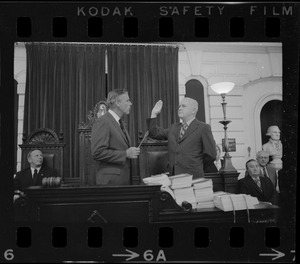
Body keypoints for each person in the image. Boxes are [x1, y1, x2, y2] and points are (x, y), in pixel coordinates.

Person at [147, 97, 217, 179]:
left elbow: (211, 154)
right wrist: (153, 114)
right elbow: (154, 133)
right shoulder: (173, 128)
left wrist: (196, 165)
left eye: (183, 106)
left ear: (193, 110)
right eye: (179, 106)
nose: (180, 108)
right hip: (174, 177)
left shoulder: (203, 128)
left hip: (193, 177)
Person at [91, 89, 140, 185]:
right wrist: (125, 154)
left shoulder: (119, 122)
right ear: (117, 103)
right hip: (110, 183)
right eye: (127, 100)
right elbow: (97, 152)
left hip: (121, 181)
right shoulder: (103, 121)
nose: (130, 103)